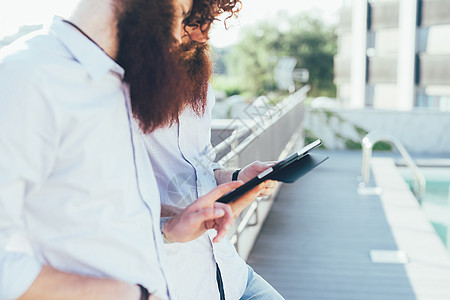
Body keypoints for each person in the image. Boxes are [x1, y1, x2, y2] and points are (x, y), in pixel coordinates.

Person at [0, 0, 262, 299]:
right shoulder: (26, 75)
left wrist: (170, 226)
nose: (178, 37)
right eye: (178, 14)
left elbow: (90, 214)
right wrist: (131, 294)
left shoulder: (117, 86)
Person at [144, 2, 285, 299]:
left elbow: (201, 166)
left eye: (209, 22)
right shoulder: (117, 93)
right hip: (176, 282)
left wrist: (239, 176)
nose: (202, 36)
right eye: (192, 22)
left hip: (230, 271)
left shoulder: (199, 87)